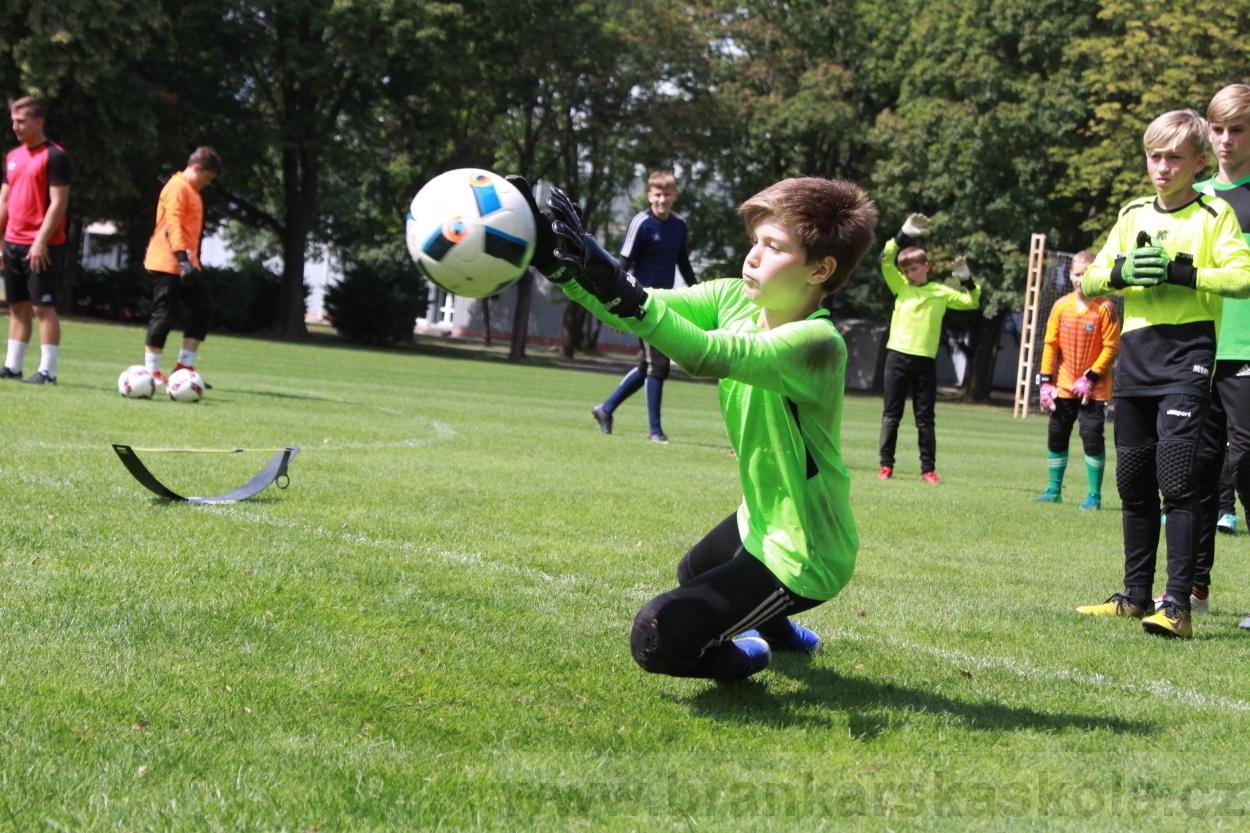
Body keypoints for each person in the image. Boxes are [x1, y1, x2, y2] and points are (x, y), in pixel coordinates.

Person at [521, 174, 876, 681]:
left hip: (806, 551)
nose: (753, 256)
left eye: (773, 247)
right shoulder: (735, 299)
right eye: (755, 241)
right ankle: (781, 632)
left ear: (821, 269)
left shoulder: (817, 345)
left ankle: (755, 653)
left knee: (658, 634)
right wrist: (560, 266)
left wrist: (611, 276)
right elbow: (638, 307)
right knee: (693, 572)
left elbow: (706, 353)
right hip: (761, 517)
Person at [1075, 109, 1250, 639]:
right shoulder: (1131, 215)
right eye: (1155, 155)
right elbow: (1093, 278)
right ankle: (1133, 596)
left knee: (1178, 482)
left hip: (1187, 359)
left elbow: (1242, 277)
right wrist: (1123, 273)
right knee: (1132, 482)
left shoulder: (1214, 215)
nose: (1163, 166)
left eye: (1174, 157)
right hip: (1137, 360)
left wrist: (1184, 272)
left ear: (1199, 163)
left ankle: (1177, 604)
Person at [1187, 84, 1250, 623]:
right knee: (1199, 471)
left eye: (1238, 129)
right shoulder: (1197, 196)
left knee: (1247, 465)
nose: (1226, 140)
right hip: (1199, 350)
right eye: (1219, 129)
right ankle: (1193, 590)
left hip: (1249, 353)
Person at [589, 171, 697, 444]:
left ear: (674, 196)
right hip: (640, 300)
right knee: (658, 366)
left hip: (666, 301)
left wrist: (698, 294)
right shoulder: (641, 223)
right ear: (649, 195)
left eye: (666, 194)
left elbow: (683, 264)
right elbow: (622, 264)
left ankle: (605, 409)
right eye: (657, 194)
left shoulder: (679, 226)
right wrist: (611, 301)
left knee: (647, 365)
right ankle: (655, 431)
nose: (662, 199)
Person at [876, 213, 981, 484]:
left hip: (925, 361)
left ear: (926, 266)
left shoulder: (940, 293)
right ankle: (886, 465)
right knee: (891, 416)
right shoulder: (899, 286)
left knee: (925, 419)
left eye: (913, 269)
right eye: (905, 270)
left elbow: (972, 302)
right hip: (897, 357)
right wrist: (903, 235)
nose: (909, 274)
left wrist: (967, 279)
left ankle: (928, 470)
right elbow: (885, 259)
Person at [1032, 251, 1120, 510]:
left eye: (1087, 274)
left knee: (1091, 435)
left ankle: (1094, 496)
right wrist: (1045, 383)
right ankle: (1053, 490)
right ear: (1070, 274)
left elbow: (1111, 347)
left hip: (1096, 388)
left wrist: (1091, 377)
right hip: (1064, 384)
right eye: (1077, 274)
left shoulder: (1105, 307)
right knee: (1057, 433)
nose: (1081, 279)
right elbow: (1050, 345)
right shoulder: (1060, 306)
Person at [0, 97, 70, 384]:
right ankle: (12, 367)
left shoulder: (55, 156)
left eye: (21, 121)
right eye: (13, 121)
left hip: (43, 244)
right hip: (13, 242)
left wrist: (40, 241)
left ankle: (47, 372)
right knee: (16, 306)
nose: (15, 126)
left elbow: (58, 203)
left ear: (38, 121)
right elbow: (3, 200)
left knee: (42, 306)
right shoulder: (12, 157)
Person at [141, 146, 221, 386]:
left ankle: (183, 367)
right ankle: (151, 372)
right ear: (196, 168)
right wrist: (182, 259)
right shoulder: (177, 187)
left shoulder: (193, 190)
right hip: (168, 261)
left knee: (203, 307)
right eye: (206, 177)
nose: (207, 183)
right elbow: (172, 225)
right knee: (164, 314)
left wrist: (190, 262)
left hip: (187, 263)